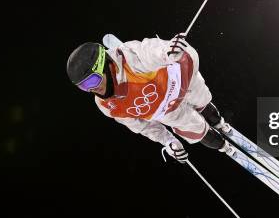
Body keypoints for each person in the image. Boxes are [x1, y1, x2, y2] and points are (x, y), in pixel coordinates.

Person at [66, 34, 234, 163]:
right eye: (84, 87)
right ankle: (224, 147)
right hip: (169, 112)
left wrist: (168, 51)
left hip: (179, 81)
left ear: (105, 64)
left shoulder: (128, 58)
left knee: (202, 100)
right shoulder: (106, 105)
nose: (92, 88)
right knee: (197, 130)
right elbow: (142, 126)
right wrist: (168, 141)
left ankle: (219, 122)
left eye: (92, 80)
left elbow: (149, 51)